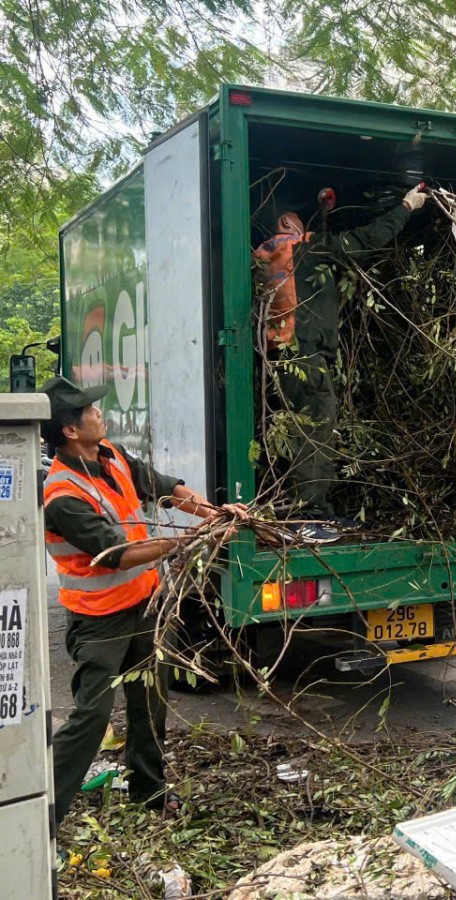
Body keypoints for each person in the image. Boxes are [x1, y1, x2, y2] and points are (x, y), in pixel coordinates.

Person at [41, 376, 248, 829]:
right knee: (92, 717)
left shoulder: (110, 455)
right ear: (70, 430)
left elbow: (162, 485)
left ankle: (149, 795)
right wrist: (190, 540)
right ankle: (44, 818)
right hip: (99, 621)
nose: (100, 413)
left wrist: (214, 514)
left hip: (145, 606)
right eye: (90, 411)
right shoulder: (62, 495)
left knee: (150, 703)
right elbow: (117, 554)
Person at [253, 185, 427, 540]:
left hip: (283, 357)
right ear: (289, 222)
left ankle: (307, 509)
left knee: (304, 430)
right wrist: (407, 206)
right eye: (298, 219)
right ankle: (306, 515)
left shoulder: (265, 258)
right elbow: (366, 240)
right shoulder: (304, 247)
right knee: (318, 429)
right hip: (305, 355)